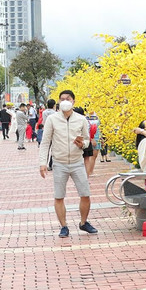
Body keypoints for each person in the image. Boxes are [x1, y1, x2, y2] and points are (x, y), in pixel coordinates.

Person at [38, 90, 97, 238]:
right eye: (62, 99)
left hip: (77, 163)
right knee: (59, 196)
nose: (65, 101)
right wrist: (42, 163)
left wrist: (82, 144)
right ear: (58, 102)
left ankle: (84, 223)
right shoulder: (52, 119)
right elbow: (45, 142)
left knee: (85, 194)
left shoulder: (81, 119)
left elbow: (87, 140)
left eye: (68, 99)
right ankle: (63, 226)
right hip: (59, 163)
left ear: (73, 102)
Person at [85, 111, 101, 176]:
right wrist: (92, 138)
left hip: (96, 137)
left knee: (94, 156)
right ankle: (89, 172)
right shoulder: (88, 117)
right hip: (93, 137)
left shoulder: (96, 114)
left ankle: (90, 171)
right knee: (92, 156)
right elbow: (89, 128)